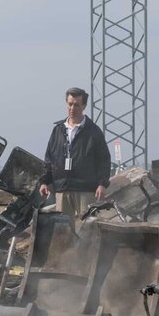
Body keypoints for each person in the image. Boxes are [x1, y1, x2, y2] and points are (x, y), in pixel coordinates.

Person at [38, 87, 111, 219]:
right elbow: (49, 159)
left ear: (84, 106)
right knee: (63, 230)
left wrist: (102, 184)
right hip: (62, 189)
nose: (72, 108)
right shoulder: (58, 130)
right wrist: (44, 182)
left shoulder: (93, 131)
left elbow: (104, 160)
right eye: (70, 104)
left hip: (85, 190)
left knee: (87, 228)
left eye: (76, 105)